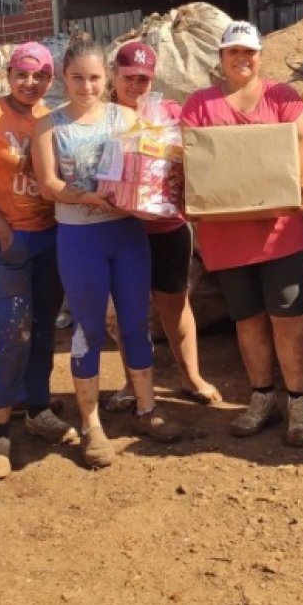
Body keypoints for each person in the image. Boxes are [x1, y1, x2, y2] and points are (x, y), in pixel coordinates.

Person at [33, 33, 182, 470]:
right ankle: (91, 423)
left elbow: (149, 166)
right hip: (80, 238)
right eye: (78, 78)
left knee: (136, 322)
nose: (87, 86)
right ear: (64, 77)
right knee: (89, 328)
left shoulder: (126, 118)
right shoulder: (49, 125)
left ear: (108, 77)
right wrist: (88, 198)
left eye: (95, 78)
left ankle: (147, 409)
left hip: (126, 234)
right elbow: (48, 185)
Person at [181, 20, 303, 447]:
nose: (241, 59)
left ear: (260, 56)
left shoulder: (282, 98)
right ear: (221, 58)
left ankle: (299, 402)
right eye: (233, 52)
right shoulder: (200, 105)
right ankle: (262, 397)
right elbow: (190, 160)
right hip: (227, 235)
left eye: (249, 52)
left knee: (289, 319)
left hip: (281, 231)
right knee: (247, 319)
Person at [0, 42, 78, 481]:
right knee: (12, 331)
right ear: (8, 75)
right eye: (23, 74)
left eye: (40, 75)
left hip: (49, 237)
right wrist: (0, 228)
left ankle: (38, 408)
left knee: (44, 328)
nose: (31, 83)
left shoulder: (51, 118)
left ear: (51, 79)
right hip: (6, 241)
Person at [102, 41, 220, 412]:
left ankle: (191, 377)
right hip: (119, 227)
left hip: (167, 227)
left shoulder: (167, 110)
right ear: (114, 75)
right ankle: (132, 382)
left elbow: (193, 156)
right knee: (127, 310)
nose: (136, 85)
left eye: (144, 79)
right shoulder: (101, 116)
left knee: (175, 303)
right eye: (128, 77)